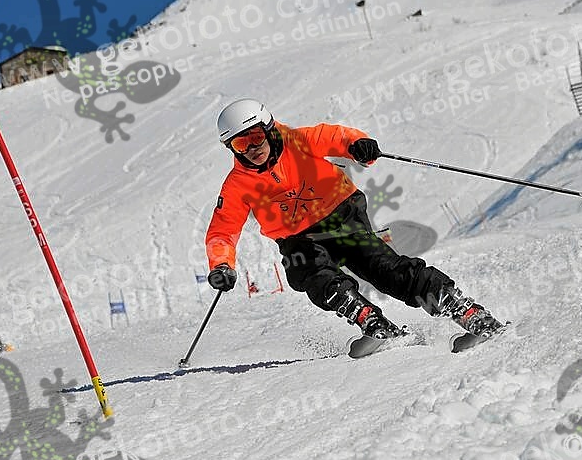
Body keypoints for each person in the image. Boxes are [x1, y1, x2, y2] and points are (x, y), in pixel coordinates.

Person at [204, 98, 503, 340]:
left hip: (340, 213)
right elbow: (223, 229)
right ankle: (367, 317)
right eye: (241, 145)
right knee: (306, 271)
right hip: (298, 238)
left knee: (380, 267)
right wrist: (221, 264)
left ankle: (459, 307)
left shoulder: (298, 141)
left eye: (256, 138)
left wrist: (358, 145)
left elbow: (334, 136)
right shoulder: (237, 184)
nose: (252, 149)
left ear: (269, 130)